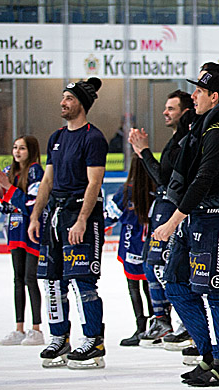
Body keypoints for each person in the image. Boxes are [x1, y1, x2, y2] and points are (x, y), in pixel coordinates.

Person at [151, 68, 219, 387]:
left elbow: (205, 178)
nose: (193, 97)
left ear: (214, 96)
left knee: (217, 290)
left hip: (218, 217)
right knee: (175, 282)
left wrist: (173, 220)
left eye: (199, 92)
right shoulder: (201, 124)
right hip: (198, 217)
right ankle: (207, 354)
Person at [27, 78, 109, 369]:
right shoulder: (56, 137)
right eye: (63, 98)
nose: (63, 103)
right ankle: (59, 337)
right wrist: (37, 216)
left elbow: (94, 182)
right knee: (52, 281)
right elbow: (47, 180)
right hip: (55, 216)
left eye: (69, 99)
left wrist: (82, 221)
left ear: (81, 104)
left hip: (79, 215)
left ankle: (93, 341)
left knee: (82, 281)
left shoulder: (93, 137)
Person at [128, 90, 194, 347]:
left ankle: (185, 322)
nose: (165, 112)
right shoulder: (176, 140)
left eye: (171, 108)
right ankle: (162, 319)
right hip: (164, 208)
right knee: (152, 265)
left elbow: (165, 180)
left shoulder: (185, 141)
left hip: (176, 211)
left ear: (184, 112)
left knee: (166, 266)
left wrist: (144, 152)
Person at [0, 135, 45, 346]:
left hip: (31, 230)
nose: (17, 152)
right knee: (18, 278)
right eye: (15, 148)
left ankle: (36, 328)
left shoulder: (35, 171)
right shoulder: (9, 173)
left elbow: (31, 205)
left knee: (30, 278)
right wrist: (2, 187)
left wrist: (9, 187)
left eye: (22, 148)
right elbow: (4, 207)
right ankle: (19, 327)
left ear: (30, 151)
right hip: (15, 231)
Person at [104, 155, 156, 346]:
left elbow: (110, 215)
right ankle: (157, 323)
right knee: (151, 286)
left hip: (131, 245)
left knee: (134, 286)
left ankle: (141, 326)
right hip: (151, 245)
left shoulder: (126, 191)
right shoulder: (156, 190)